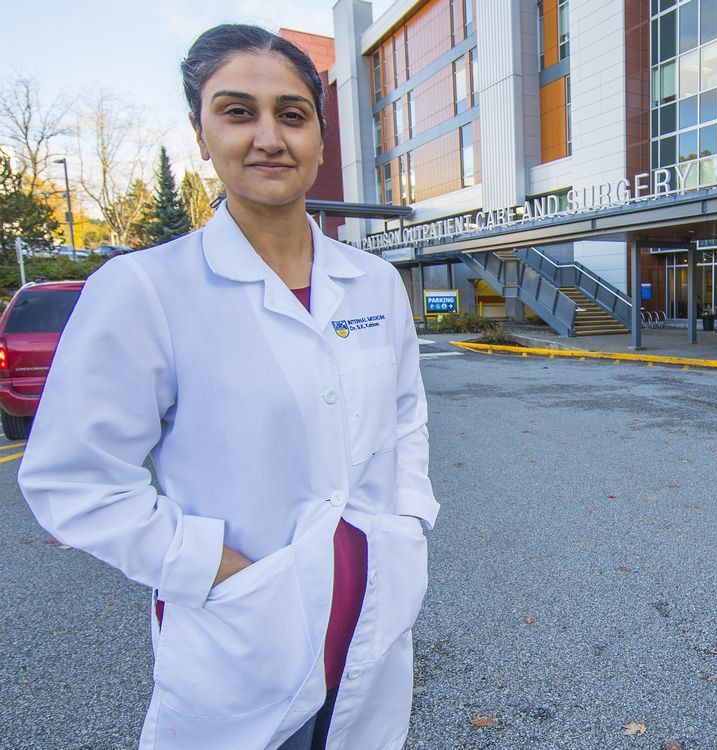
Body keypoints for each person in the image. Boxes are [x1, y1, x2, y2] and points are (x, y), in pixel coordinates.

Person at [18, 24, 438, 750]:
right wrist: (211, 569)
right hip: (241, 626)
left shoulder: (371, 281)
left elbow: (405, 417)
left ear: (320, 138)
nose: (269, 137)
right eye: (238, 112)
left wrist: (408, 521)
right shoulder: (146, 289)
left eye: (293, 114)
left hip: (371, 605)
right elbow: (73, 478)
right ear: (201, 133)